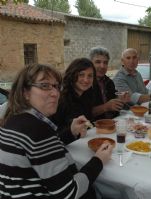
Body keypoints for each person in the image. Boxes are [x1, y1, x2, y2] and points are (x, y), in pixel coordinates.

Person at [0, 64, 113, 198]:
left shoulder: (13, 120)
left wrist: (71, 132)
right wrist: (98, 160)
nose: (55, 93)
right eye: (44, 86)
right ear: (25, 92)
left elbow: (43, 152)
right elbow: (70, 193)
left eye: (56, 86)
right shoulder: (37, 130)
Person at [51, 58, 98, 143]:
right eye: (81, 75)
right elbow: (52, 136)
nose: (86, 80)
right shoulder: (60, 99)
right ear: (72, 75)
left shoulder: (87, 95)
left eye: (90, 76)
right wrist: (72, 132)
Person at [89, 46, 125, 119]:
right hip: (94, 127)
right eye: (98, 62)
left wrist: (121, 99)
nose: (102, 66)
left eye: (105, 63)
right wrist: (106, 107)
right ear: (90, 63)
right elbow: (83, 113)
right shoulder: (85, 84)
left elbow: (115, 105)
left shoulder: (109, 82)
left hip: (112, 123)